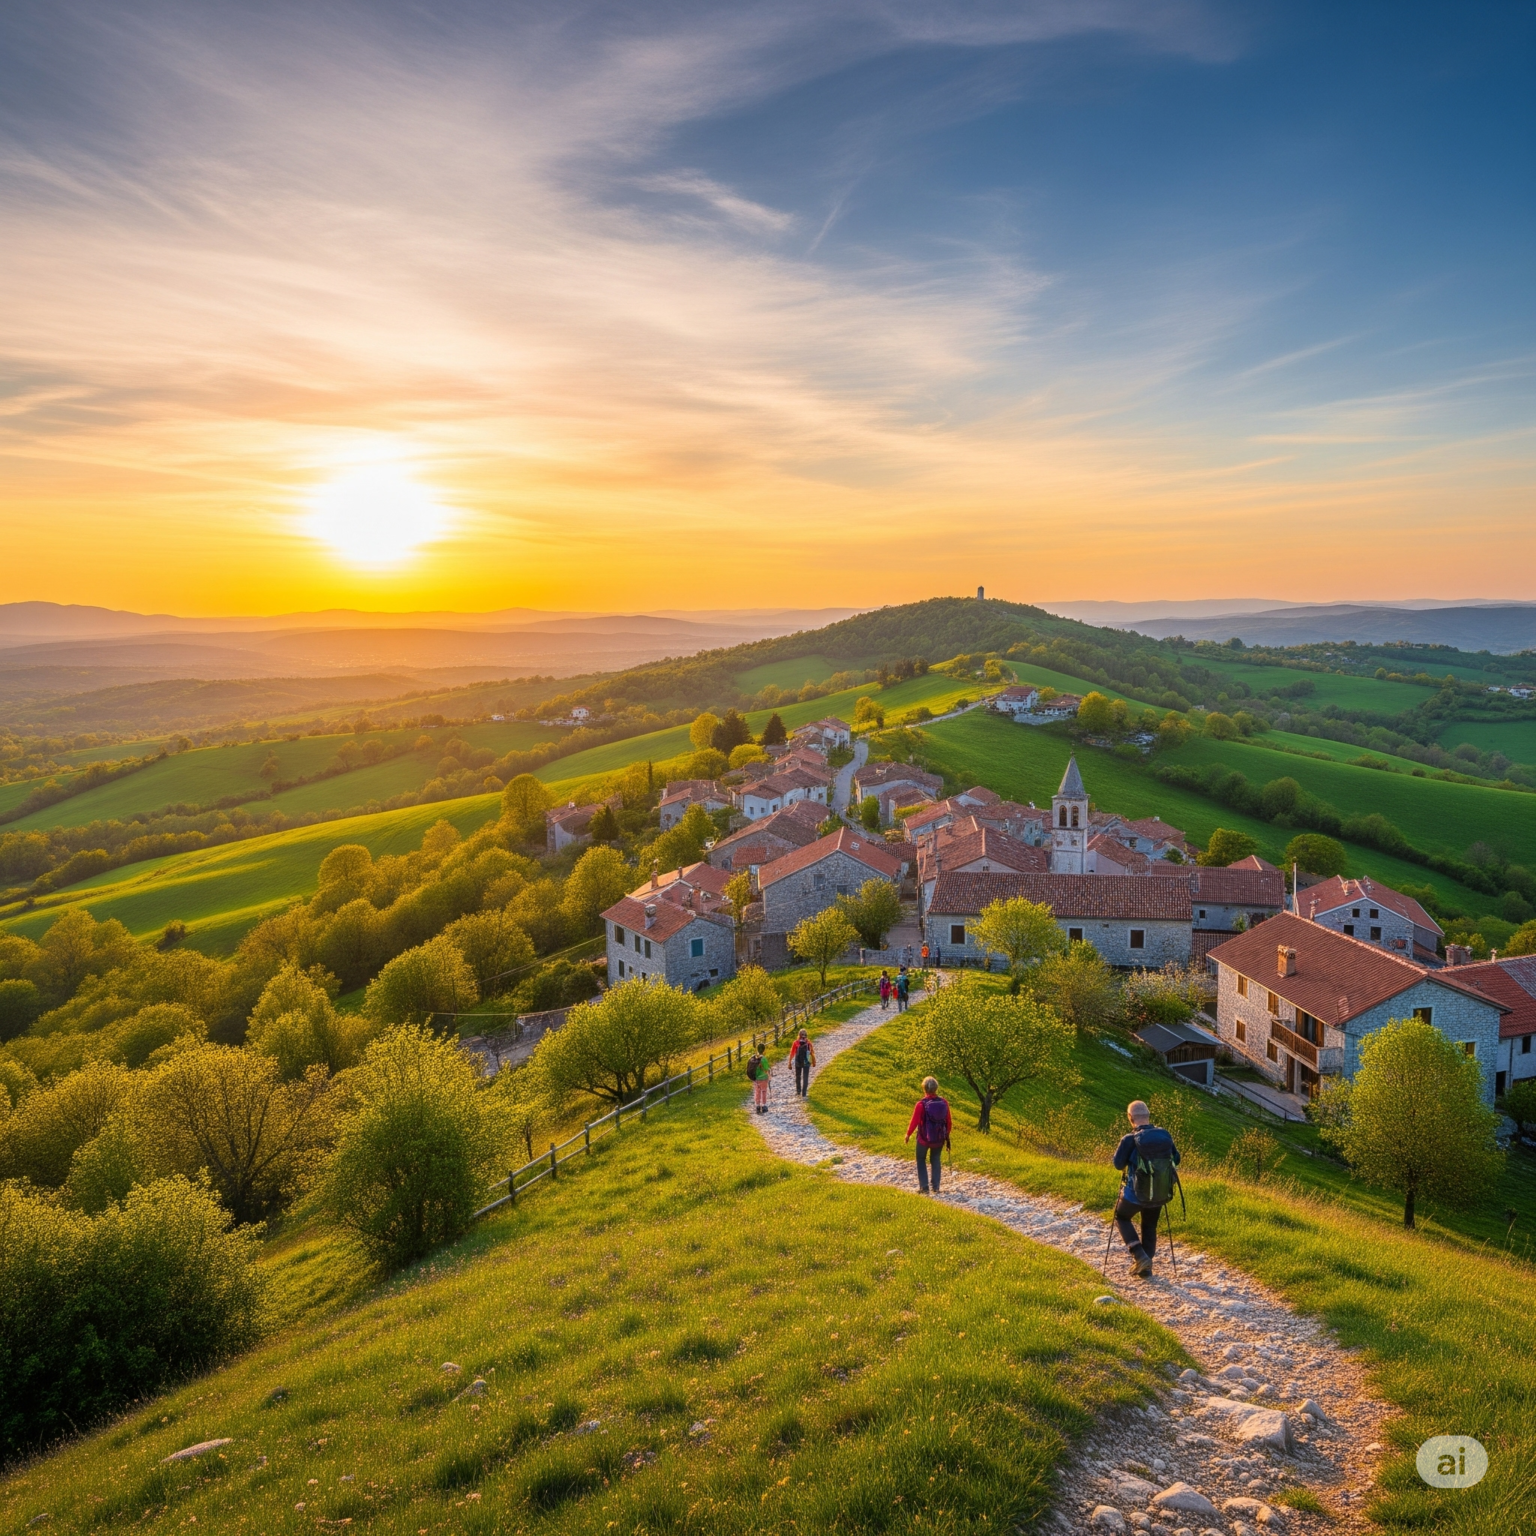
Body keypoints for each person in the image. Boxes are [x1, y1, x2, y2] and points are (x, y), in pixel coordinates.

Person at [1111, 1100, 1181, 1278]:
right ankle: (1146, 1269)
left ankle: (1139, 1256)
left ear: (1130, 1118)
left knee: (1121, 1216)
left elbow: (1118, 1164)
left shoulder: (1129, 1139)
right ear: (1148, 1116)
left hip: (1135, 1194)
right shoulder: (1164, 1135)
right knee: (1149, 1225)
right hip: (1159, 1191)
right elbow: (1177, 1158)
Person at [904, 1076, 951, 1193]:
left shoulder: (921, 1104)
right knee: (935, 1159)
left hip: (924, 1138)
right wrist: (945, 1135)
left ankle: (924, 1187)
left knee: (920, 1159)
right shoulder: (944, 1102)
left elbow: (914, 1122)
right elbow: (949, 1121)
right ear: (936, 1088)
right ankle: (936, 1187)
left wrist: (908, 1134)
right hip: (939, 1138)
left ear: (924, 1089)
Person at [788, 1028, 816, 1096]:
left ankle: (798, 1091)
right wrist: (813, 1062)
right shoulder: (808, 1043)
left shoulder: (796, 1042)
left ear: (799, 1035)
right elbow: (812, 1052)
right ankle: (804, 1093)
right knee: (805, 1077)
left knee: (798, 1076)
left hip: (798, 1061)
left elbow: (792, 1053)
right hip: (806, 1062)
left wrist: (789, 1062)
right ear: (806, 1035)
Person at [748, 1046, 770, 1114]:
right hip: (763, 1078)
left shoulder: (754, 1058)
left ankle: (757, 1105)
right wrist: (769, 1075)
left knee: (757, 1091)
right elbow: (766, 1069)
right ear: (764, 1050)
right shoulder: (764, 1059)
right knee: (763, 1091)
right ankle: (763, 1105)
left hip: (756, 1078)